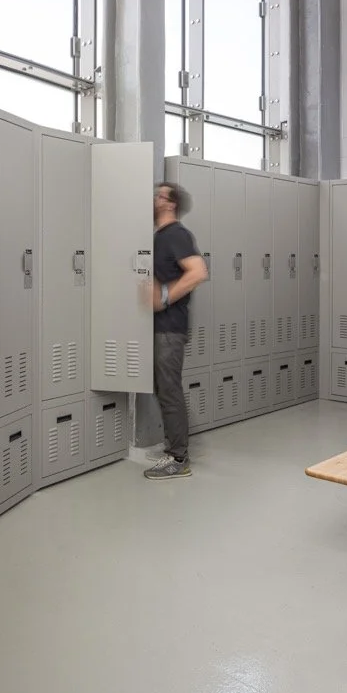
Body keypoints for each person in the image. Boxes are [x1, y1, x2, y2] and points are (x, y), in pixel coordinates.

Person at [146, 183, 209, 480]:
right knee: (164, 389)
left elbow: (198, 272)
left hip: (170, 329)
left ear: (170, 204)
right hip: (159, 328)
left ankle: (178, 458)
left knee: (170, 391)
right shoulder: (159, 236)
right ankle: (174, 450)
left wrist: (166, 297)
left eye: (159, 195)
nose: (154, 198)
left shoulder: (177, 235)